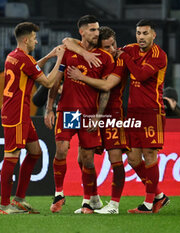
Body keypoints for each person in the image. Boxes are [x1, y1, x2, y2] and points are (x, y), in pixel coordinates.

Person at [44, 15, 115, 214]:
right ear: (82, 32)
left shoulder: (105, 58)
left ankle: (87, 202)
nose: (96, 33)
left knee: (87, 159)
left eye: (97, 29)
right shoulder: (69, 52)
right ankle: (59, 194)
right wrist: (49, 108)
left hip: (90, 114)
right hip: (69, 111)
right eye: (92, 29)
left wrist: (99, 115)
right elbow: (57, 80)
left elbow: (105, 90)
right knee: (61, 149)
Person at [0, 22, 64, 214]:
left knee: (35, 152)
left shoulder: (14, 56)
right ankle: (4, 205)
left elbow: (31, 66)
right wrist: (59, 59)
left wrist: (49, 56)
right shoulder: (24, 60)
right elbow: (49, 81)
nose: (36, 41)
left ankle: (19, 199)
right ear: (26, 39)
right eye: (34, 38)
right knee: (11, 156)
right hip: (16, 115)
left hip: (21, 113)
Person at [64, 26, 127, 214]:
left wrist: (81, 77)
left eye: (113, 45)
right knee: (83, 159)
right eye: (107, 47)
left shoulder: (121, 59)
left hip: (112, 114)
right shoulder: (97, 59)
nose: (112, 50)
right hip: (89, 112)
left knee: (116, 158)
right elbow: (67, 41)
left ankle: (115, 205)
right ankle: (93, 199)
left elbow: (107, 86)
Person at [116, 19, 170, 213]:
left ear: (154, 35)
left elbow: (140, 75)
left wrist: (125, 57)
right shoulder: (130, 48)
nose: (141, 37)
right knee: (132, 158)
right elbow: (115, 50)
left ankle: (148, 203)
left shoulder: (159, 56)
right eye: (138, 33)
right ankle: (158, 195)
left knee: (149, 155)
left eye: (145, 33)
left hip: (151, 111)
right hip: (133, 112)